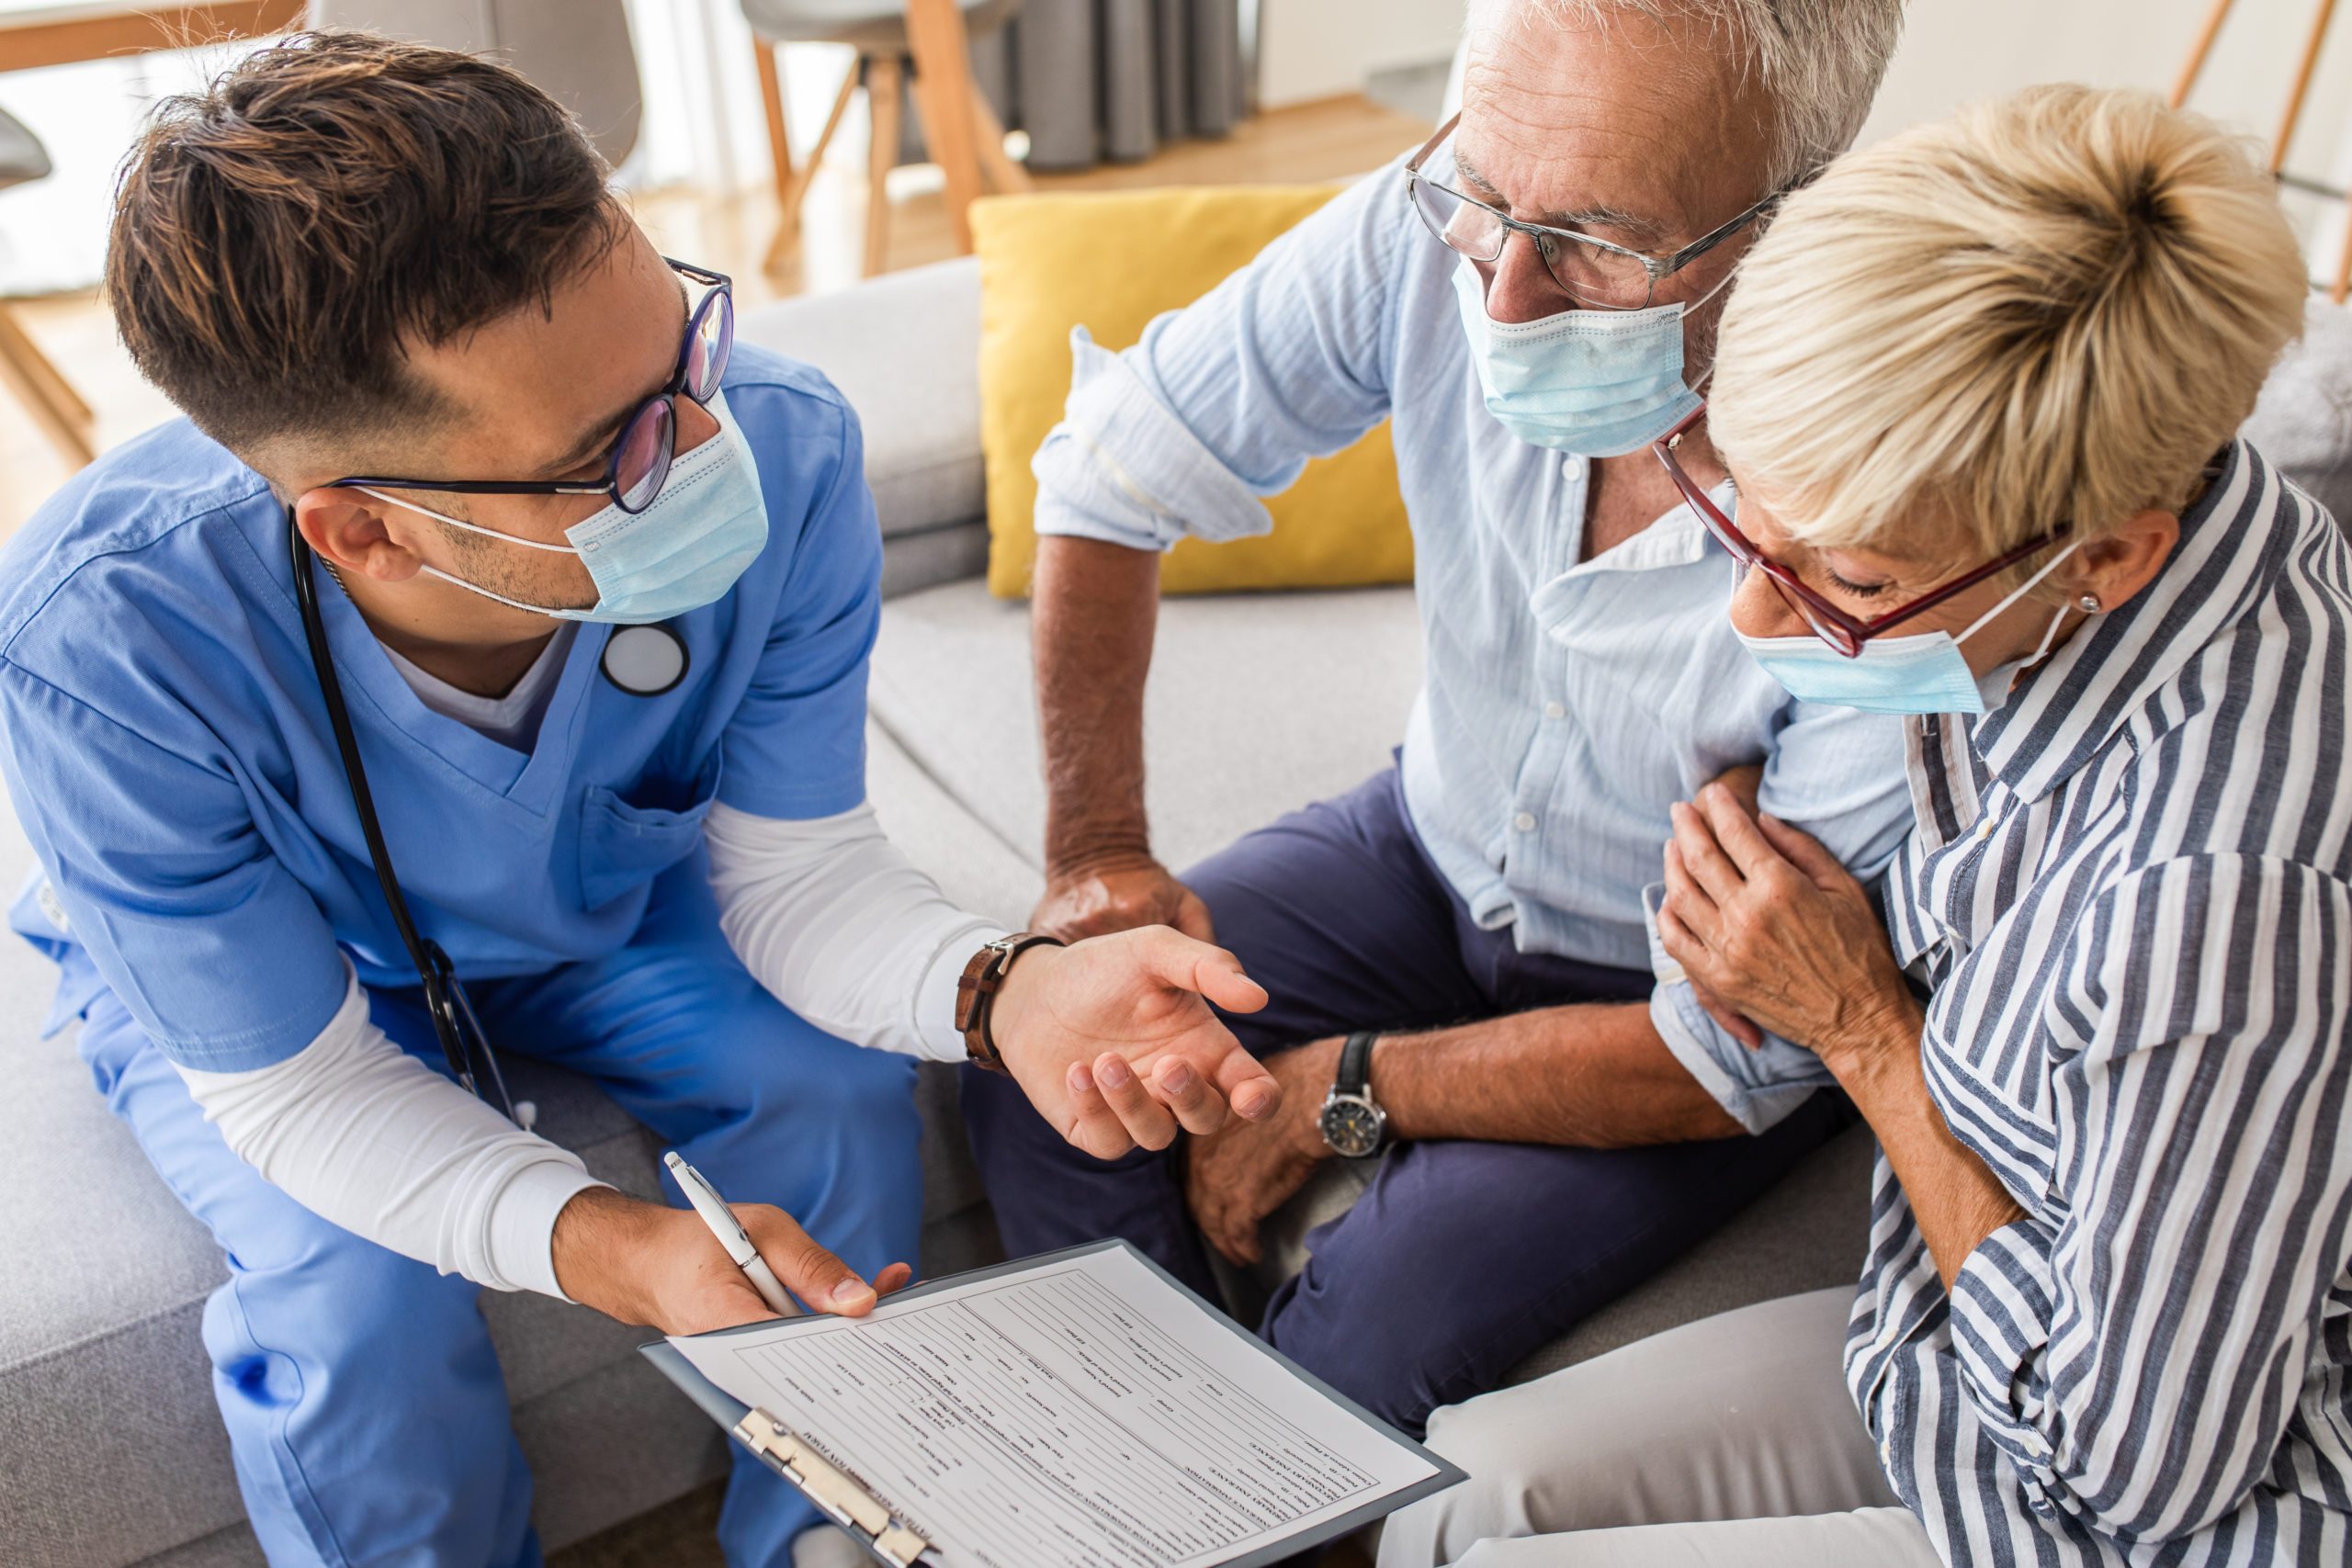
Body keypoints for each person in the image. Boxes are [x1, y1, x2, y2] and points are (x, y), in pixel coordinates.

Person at [0, 34, 1285, 1568]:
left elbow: (804, 883)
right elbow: (297, 1090)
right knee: (356, 1302)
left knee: (836, 1101)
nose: (702, 446)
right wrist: (610, 1250)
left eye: (687, 352)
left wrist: (1007, 993)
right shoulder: (104, 637)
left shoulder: (790, 445)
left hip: (610, 903)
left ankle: (818, 1535)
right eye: (608, 451)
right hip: (292, 982)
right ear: (361, 532)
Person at [1381, 83, 2352, 1567]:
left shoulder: (2218, 899)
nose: (1759, 613)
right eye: (1750, 528)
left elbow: (2140, 1473)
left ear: (2109, 557)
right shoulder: (2144, 521)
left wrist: (1862, 1028)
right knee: (1461, 1489)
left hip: (2136, 1508)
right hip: (1939, 1349)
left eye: (1846, 577)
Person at [962, 0, 1914, 1433]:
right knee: (1061, 1059)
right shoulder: (1445, 220)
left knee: (1377, 1323)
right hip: (1424, 842)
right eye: (1483, 200)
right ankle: (1133, 1483)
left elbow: (1740, 1046)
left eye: (1599, 241)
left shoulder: (1912, 488)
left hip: (1666, 1004)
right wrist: (1096, 847)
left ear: (1799, 211)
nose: (1506, 300)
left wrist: (1338, 1090)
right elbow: (1111, 471)